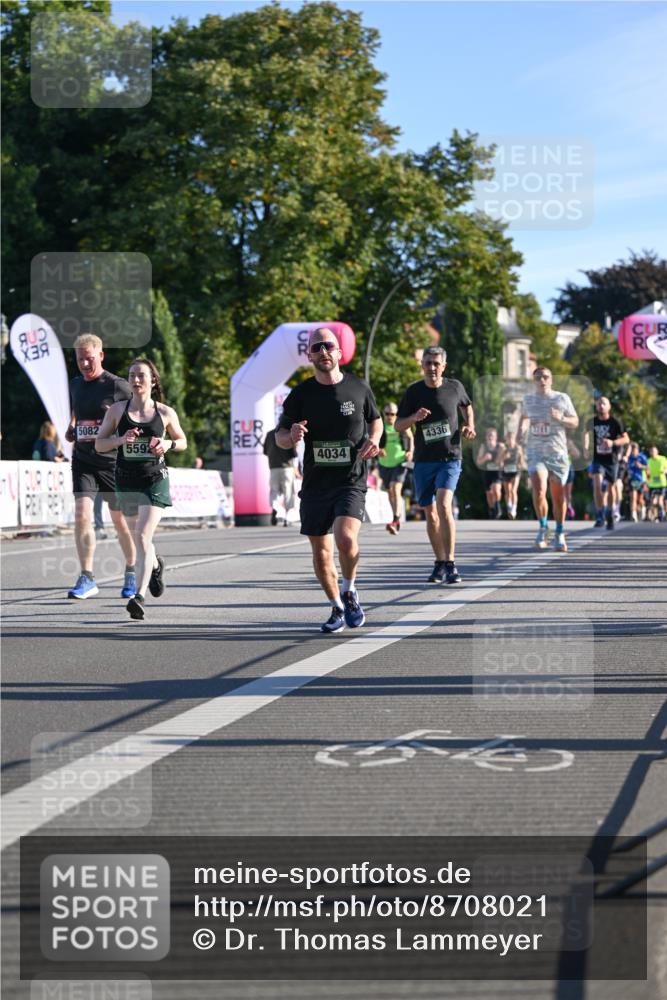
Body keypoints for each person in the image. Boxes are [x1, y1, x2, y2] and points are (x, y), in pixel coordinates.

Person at [276, 327, 381, 632]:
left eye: (328, 346)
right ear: (309, 355)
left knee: (346, 538)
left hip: (351, 478)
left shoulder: (359, 388)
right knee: (321, 553)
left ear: (339, 352)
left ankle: (349, 590)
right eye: (316, 347)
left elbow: (375, 420)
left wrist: (373, 438)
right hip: (316, 483)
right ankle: (336, 607)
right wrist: (290, 436)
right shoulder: (301, 395)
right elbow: (280, 436)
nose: (323, 352)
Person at [95, 358, 187, 619]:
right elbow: (99, 445)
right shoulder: (116, 411)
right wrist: (120, 439)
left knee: (143, 537)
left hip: (154, 479)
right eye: (132, 375)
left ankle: (139, 595)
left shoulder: (165, 413)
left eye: (141, 376)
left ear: (153, 380)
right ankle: (156, 565)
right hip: (126, 480)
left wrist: (167, 445)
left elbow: (183, 442)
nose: (135, 380)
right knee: (138, 537)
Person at [396, 345, 476, 583]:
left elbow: (467, 405)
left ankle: (451, 563)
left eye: (436, 363)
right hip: (424, 461)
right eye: (428, 363)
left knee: (444, 505)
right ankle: (439, 562)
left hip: (450, 457)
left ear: (444, 366)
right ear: (422, 365)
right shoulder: (413, 392)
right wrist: (413, 418)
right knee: (430, 514)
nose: (432, 368)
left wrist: (469, 425)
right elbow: (398, 425)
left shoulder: (455, 387)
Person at [65, 334, 136, 600]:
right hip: (84, 460)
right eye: (80, 359)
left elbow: (138, 412)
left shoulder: (118, 386)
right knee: (82, 515)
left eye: (89, 358)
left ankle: (131, 571)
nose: (84, 363)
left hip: (113, 462)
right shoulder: (75, 384)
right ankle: (87, 577)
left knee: (120, 521)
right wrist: (73, 427)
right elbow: (78, 411)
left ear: (101, 355)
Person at [518, 366, 579, 552]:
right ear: (534, 381)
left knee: (558, 496)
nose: (542, 380)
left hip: (557, 453)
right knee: (539, 489)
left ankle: (559, 531)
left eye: (545, 377)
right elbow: (525, 418)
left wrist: (561, 418)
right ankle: (543, 527)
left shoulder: (561, 398)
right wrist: (522, 429)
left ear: (551, 379)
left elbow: (575, 421)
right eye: (538, 378)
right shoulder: (528, 399)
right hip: (536, 451)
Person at [584, 396, 629, 531]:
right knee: (597, 483)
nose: (601, 406)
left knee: (611, 487)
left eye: (603, 403)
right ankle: (599, 514)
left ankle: (610, 512)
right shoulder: (592, 421)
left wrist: (613, 442)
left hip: (612, 460)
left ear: (609, 406)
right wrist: (585, 448)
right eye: (598, 404)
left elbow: (626, 438)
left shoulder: (615, 422)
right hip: (598, 458)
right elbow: (585, 433)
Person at [378, 403, 413, 534]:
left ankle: (395, 519)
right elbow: (373, 440)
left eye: (392, 414)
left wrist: (410, 451)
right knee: (390, 492)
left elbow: (411, 437)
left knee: (395, 488)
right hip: (384, 463)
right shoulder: (380, 426)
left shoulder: (400, 425)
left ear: (396, 414)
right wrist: (378, 450)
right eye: (387, 414)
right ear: (383, 414)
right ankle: (395, 516)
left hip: (400, 461)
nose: (389, 417)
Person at [263, 428, 299, 526]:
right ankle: (287, 517)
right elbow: (294, 453)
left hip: (273, 467)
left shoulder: (269, 434)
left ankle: (275, 508)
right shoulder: (288, 434)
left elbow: (265, 451)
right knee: (288, 492)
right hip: (287, 467)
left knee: (274, 491)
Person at [476, 428, 504, 519]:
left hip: (497, 472)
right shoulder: (483, 447)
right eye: (489, 435)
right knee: (489, 493)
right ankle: (492, 509)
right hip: (487, 472)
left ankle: (497, 505)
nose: (490, 437)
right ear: (486, 437)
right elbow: (478, 462)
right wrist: (484, 458)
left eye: (492, 435)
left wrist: (500, 458)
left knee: (496, 489)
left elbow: (505, 460)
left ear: (496, 437)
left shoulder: (500, 446)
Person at [501, 430, 524, 520]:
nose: (510, 440)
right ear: (506, 439)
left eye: (512, 438)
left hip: (515, 471)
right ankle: (509, 507)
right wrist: (504, 457)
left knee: (513, 490)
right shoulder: (504, 449)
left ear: (514, 439)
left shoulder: (518, 448)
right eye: (508, 438)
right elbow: (499, 461)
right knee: (507, 492)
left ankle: (514, 509)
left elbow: (521, 461)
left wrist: (521, 464)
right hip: (506, 471)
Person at [626, 442, 648, 522]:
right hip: (632, 480)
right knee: (633, 498)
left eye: (634, 450)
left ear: (637, 450)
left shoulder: (642, 457)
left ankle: (643, 509)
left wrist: (641, 466)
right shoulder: (629, 458)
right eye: (631, 450)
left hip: (641, 480)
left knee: (640, 499)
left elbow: (648, 468)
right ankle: (633, 514)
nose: (633, 452)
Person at [646, 445, 667, 522]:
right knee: (653, 501)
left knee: (660, 500)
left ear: (657, 451)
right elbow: (647, 471)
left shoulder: (663, 459)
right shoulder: (649, 461)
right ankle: (655, 515)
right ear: (650, 453)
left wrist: (664, 470)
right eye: (651, 451)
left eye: (654, 451)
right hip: (652, 484)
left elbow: (666, 467)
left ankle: (662, 514)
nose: (653, 453)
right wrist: (647, 477)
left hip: (662, 483)